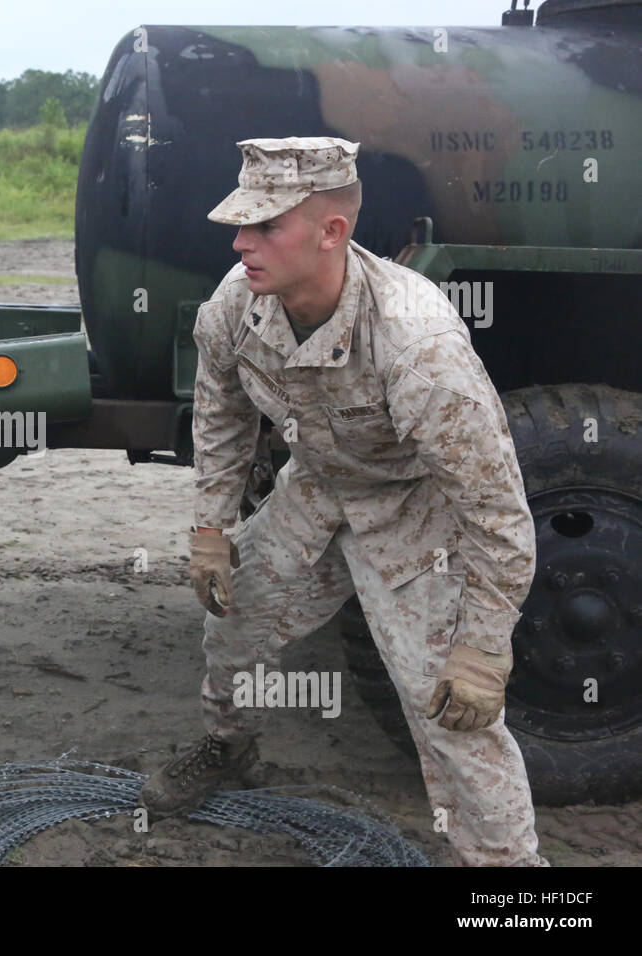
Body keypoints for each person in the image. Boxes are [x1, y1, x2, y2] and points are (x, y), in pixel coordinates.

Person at [138, 137, 547, 866]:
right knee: (229, 626)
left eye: (267, 227)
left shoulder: (418, 346)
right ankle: (228, 746)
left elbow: (498, 516)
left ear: (333, 232)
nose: (240, 243)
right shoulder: (235, 307)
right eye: (241, 225)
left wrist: (484, 648)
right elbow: (223, 414)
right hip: (318, 491)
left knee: (450, 711)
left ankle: (511, 875)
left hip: (417, 519)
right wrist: (211, 526)